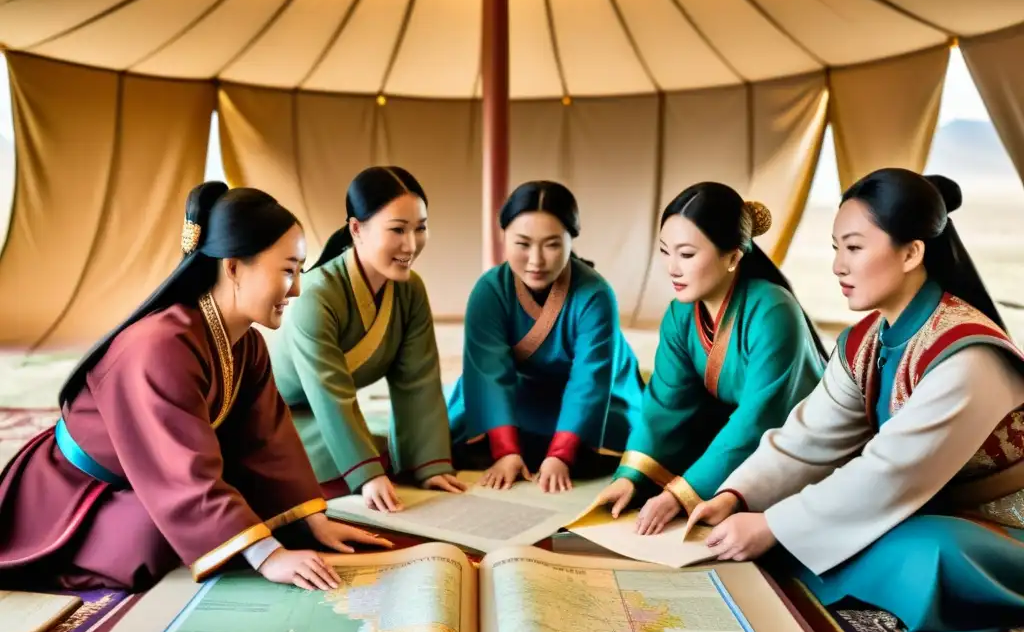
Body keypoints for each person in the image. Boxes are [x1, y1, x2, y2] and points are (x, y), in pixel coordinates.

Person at [688, 169, 1024, 632]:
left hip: (1007, 522)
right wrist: (738, 496)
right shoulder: (866, 340)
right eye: (835, 248)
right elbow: (809, 438)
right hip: (925, 505)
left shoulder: (967, 354)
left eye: (855, 247)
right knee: (848, 531)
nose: (838, 266)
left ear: (911, 252)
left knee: (931, 554)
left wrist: (774, 526)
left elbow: (892, 473)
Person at [0, 183, 391, 593]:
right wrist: (269, 556)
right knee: (156, 536)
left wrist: (313, 524)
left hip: (155, 478)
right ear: (234, 267)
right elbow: (181, 470)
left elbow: (268, 445)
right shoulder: (157, 346)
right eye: (288, 270)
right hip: (79, 493)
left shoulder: (248, 345)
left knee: (247, 509)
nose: (296, 289)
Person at [595, 182, 828, 534]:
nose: (672, 268)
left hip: (800, 448)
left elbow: (758, 417)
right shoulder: (679, 314)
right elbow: (664, 405)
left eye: (686, 254)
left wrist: (680, 495)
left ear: (734, 256)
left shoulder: (773, 310)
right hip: (740, 446)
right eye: (664, 251)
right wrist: (631, 477)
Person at [270, 166, 463, 514]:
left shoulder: (410, 290)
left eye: (420, 228)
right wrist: (367, 476)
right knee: (365, 464)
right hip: (278, 416)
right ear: (356, 229)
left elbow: (417, 381)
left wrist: (431, 465)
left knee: (395, 456)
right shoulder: (316, 296)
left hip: (326, 414)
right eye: (397, 230)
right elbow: (331, 393)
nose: (411, 244)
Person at [446, 181, 645, 494]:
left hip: (598, 393)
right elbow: (489, 375)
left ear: (570, 240)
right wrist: (506, 451)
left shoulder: (595, 294)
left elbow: (588, 381)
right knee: (449, 435)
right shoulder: (489, 291)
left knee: (622, 447)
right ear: (504, 238)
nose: (536, 260)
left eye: (552, 244)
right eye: (522, 244)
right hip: (519, 389)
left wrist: (561, 455)